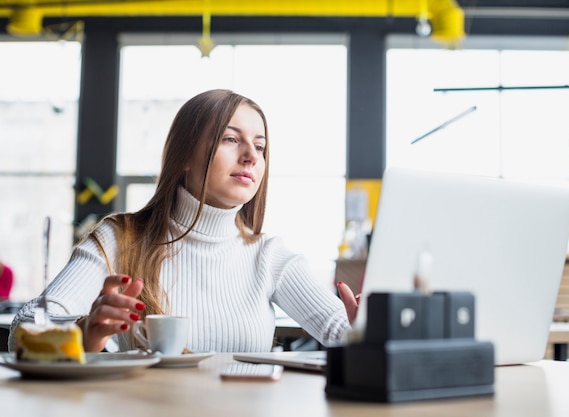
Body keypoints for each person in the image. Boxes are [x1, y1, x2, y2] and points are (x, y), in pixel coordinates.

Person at [9, 89, 359, 353]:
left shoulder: (269, 255)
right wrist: (87, 333)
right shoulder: (120, 239)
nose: (251, 156)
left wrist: (366, 330)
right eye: (231, 139)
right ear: (184, 157)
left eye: (261, 146)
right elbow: (24, 331)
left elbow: (346, 333)